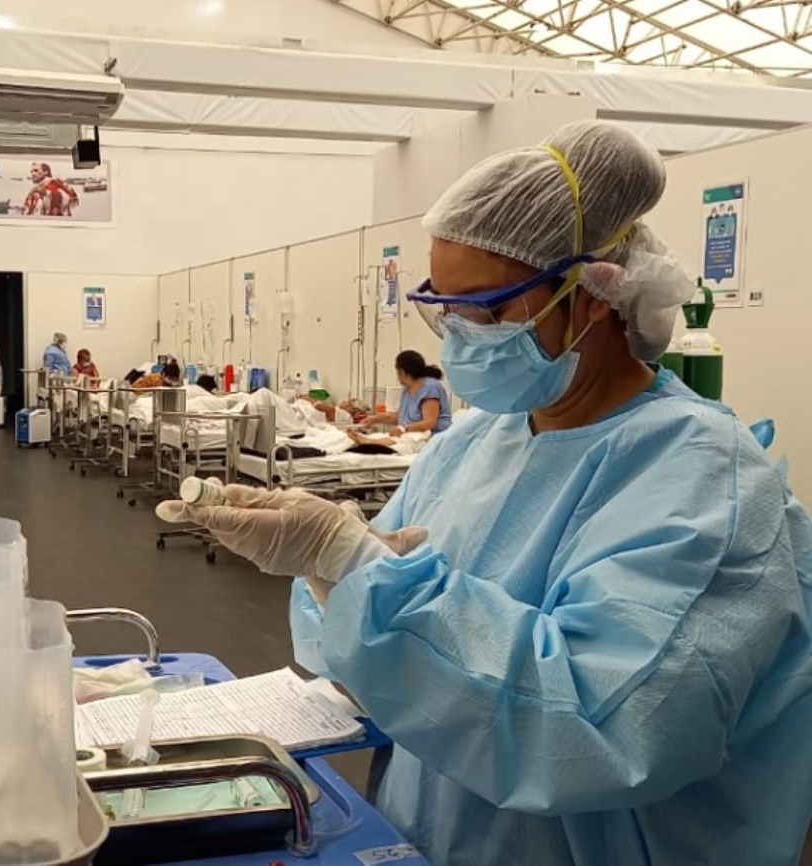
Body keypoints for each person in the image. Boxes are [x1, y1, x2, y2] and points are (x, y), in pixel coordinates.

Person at [156, 121, 812, 866]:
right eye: (444, 309)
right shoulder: (471, 445)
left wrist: (355, 565)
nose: (458, 337)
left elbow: (596, 727)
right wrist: (335, 570)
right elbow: (364, 646)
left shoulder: (703, 477)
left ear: (595, 293)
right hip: (422, 834)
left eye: (488, 311)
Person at [359, 350, 452, 435]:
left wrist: (403, 429)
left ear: (402, 372)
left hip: (431, 438)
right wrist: (374, 419)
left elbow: (429, 423)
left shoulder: (430, 388)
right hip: (412, 437)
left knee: (379, 441)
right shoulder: (407, 389)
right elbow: (400, 418)